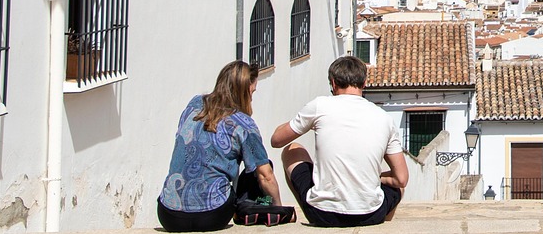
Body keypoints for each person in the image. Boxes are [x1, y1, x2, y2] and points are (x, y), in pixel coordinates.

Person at [271, 55, 407, 227]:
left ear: (333, 83)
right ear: (364, 83)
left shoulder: (319, 106)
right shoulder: (384, 118)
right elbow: (401, 179)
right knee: (398, 188)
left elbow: (276, 140)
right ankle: (381, 227)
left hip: (322, 215)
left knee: (293, 148)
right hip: (371, 215)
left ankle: (311, 204)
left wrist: (304, 122)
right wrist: (376, 178)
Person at [158, 61, 283, 231]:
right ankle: (251, 209)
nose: (252, 98)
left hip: (168, 215)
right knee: (258, 166)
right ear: (245, 91)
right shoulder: (245, 124)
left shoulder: (193, 105)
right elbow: (265, 176)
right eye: (252, 92)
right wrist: (278, 207)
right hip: (212, 214)